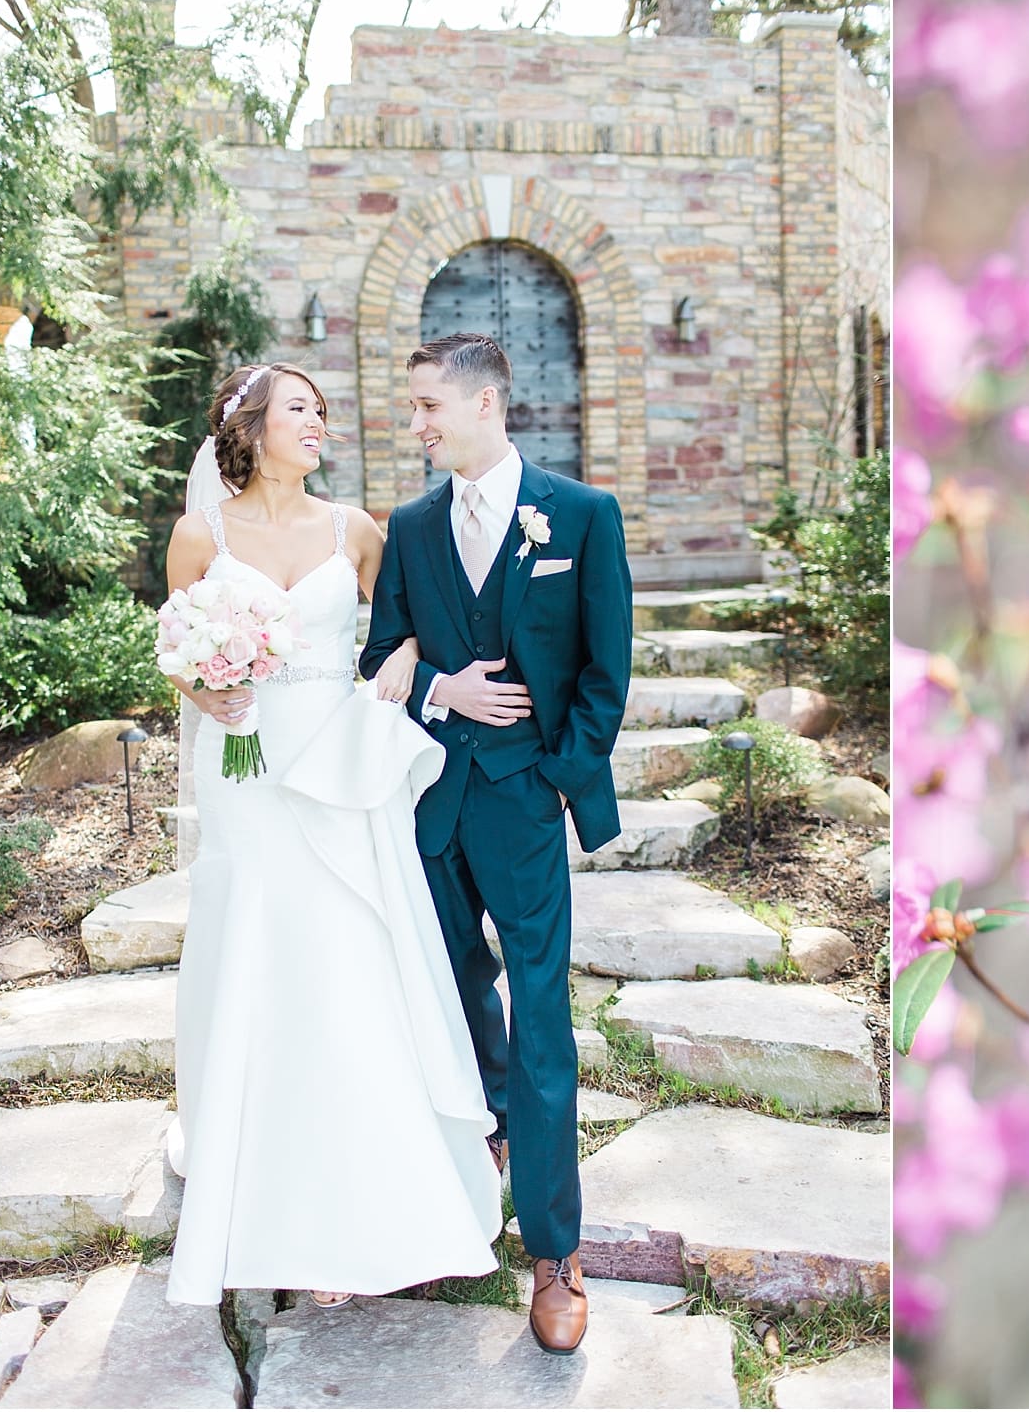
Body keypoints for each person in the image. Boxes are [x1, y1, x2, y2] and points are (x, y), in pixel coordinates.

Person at [161, 362, 502, 1308]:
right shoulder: (202, 534)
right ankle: (257, 1181)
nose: (318, 423)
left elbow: (412, 625)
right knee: (256, 956)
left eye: (320, 411)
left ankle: (361, 1203)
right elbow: (175, 653)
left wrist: (395, 660)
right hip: (244, 772)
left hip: (337, 765)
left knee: (348, 959)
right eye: (299, 410)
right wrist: (208, 686)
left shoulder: (355, 528)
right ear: (251, 428)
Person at [360, 332, 632, 1354]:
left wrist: (560, 771)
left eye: (430, 405)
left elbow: (608, 666)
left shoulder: (581, 514)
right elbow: (376, 650)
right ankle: (480, 1161)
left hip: (522, 802)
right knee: (452, 1000)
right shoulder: (414, 526)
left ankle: (556, 1250)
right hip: (431, 805)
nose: (417, 423)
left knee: (543, 1014)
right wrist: (440, 683)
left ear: (485, 403)